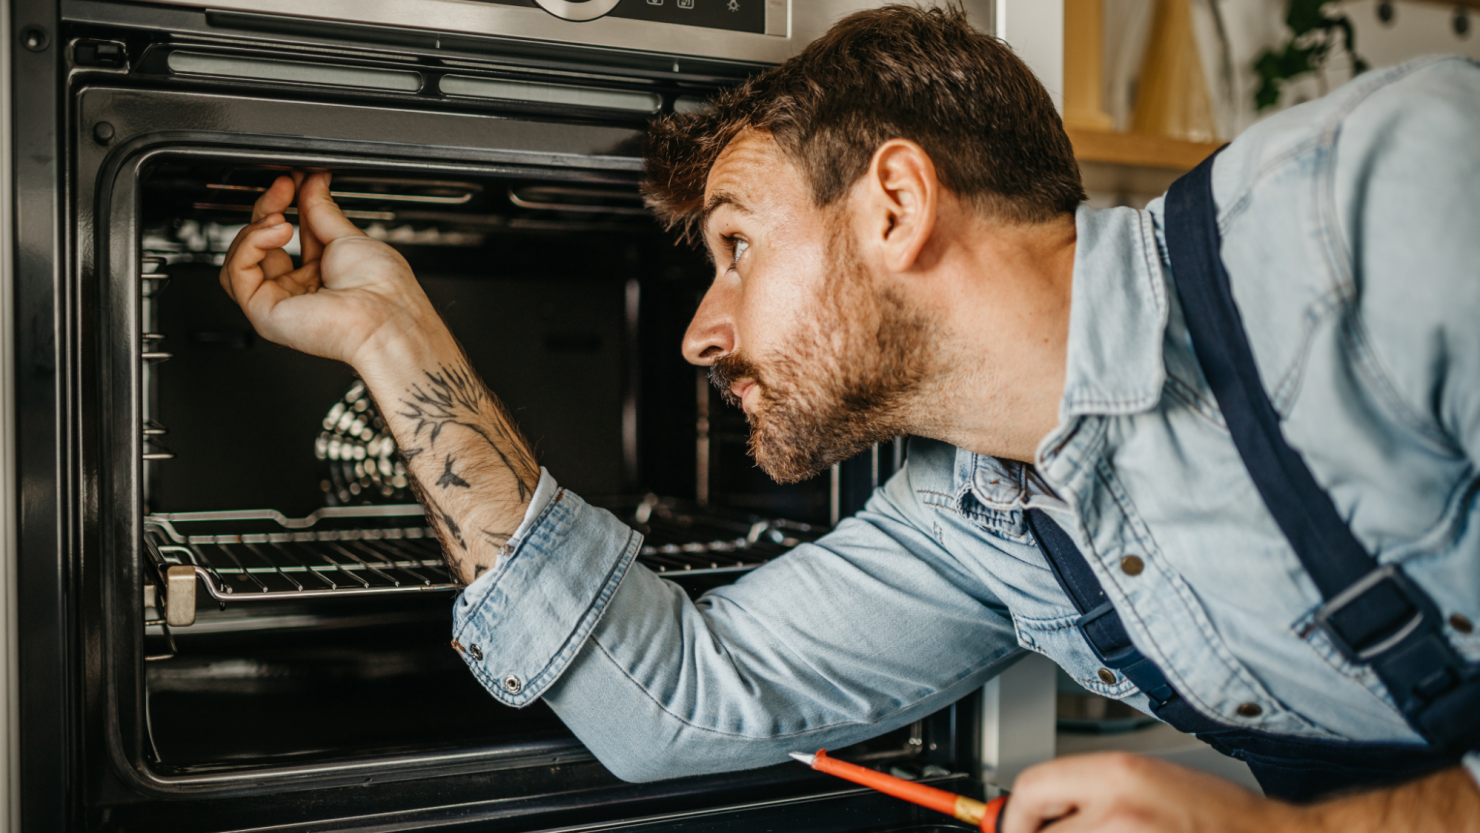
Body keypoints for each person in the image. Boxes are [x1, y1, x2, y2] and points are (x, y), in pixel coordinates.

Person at [217, 6, 1480, 831]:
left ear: (892, 205)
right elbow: (671, 701)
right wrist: (388, 337)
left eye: (735, 247)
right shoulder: (980, 523)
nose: (699, 333)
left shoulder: (1376, 205)